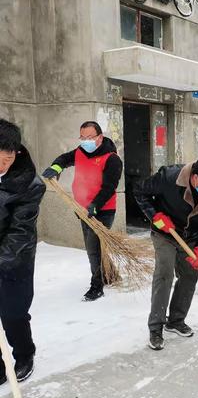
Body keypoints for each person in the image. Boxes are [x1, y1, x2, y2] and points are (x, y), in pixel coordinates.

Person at [134, 156, 198, 351]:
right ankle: (156, 327)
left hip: (191, 237)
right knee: (164, 274)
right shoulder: (168, 177)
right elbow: (139, 190)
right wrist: (155, 216)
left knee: (189, 275)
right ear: (195, 178)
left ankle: (175, 321)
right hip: (165, 233)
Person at [42, 121, 123, 301]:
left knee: (93, 248)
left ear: (100, 137)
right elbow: (64, 159)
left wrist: (95, 205)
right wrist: (55, 168)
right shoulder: (80, 152)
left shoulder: (112, 159)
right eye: (83, 137)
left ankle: (97, 286)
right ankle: (109, 275)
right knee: (96, 246)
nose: (85, 141)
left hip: (103, 210)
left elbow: (110, 187)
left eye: (90, 138)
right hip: (81, 208)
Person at [0, 119, 46, 384]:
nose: (3, 166)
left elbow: (20, 231)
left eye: (8, 159)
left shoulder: (29, 184)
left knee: (13, 313)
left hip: (16, 257)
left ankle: (24, 355)